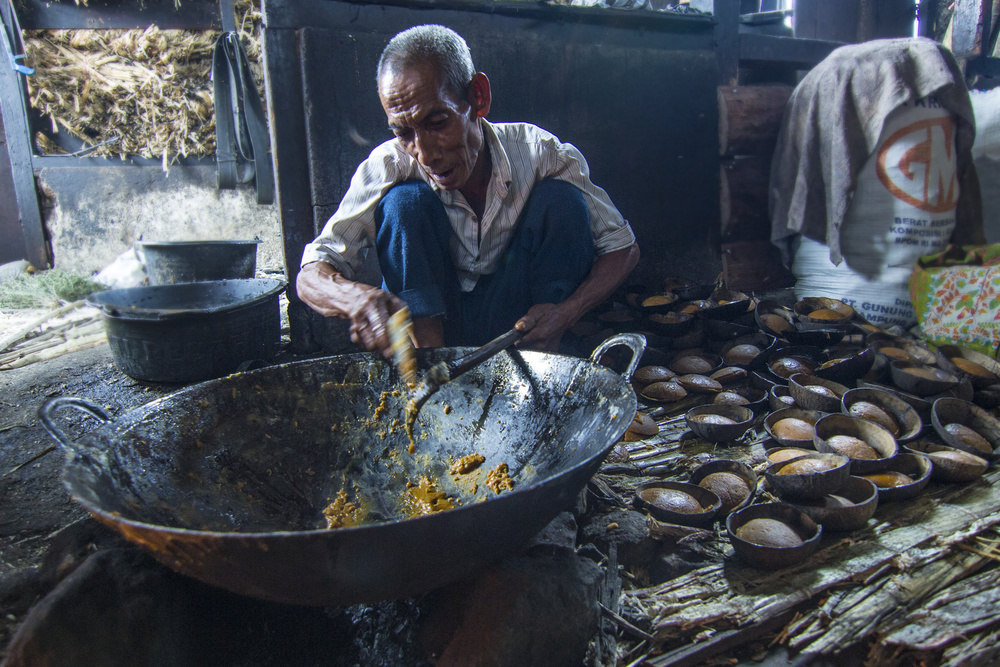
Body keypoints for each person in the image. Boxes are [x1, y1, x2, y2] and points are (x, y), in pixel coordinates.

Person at [297, 24, 639, 356]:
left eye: (437, 122)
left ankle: (544, 361)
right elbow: (312, 270)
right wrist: (353, 299)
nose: (425, 153)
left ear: (478, 97)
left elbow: (623, 248)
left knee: (562, 201)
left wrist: (566, 313)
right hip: (432, 331)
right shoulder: (389, 164)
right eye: (404, 133)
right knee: (403, 204)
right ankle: (432, 376)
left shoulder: (540, 153)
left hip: (515, 330)